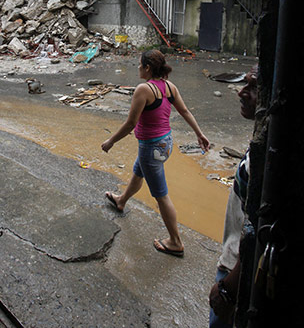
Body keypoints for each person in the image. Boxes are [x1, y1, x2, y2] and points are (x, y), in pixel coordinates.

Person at [101, 49, 209, 257]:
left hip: (151, 147)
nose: (138, 68)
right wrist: (199, 134)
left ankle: (176, 242)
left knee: (161, 195)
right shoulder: (169, 87)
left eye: (140, 65)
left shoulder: (144, 89)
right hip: (165, 143)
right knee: (138, 171)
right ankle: (122, 200)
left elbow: (131, 123)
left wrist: (110, 141)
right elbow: (184, 111)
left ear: (148, 67)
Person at [209, 65, 258, 327]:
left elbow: (256, 230)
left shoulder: (262, 163)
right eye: (245, 83)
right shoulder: (260, 145)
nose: (242, 92)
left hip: (235, 274)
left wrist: (228, 289)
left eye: (253, 87)